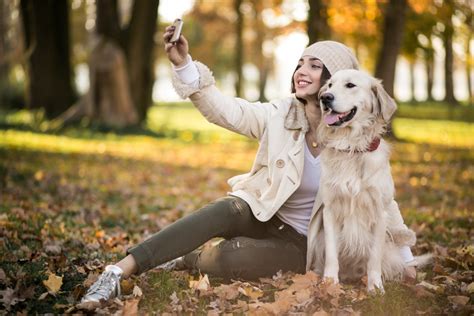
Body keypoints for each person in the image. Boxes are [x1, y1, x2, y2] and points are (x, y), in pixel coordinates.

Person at [80, 25, 417, 304]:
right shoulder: (279, 115)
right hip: (263, 212)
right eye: (301, 63)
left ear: (335, 78)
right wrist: (185, 65)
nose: (302, 71)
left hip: (301, 244)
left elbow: (382, 198)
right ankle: (116, 271)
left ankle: (187, 258)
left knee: (233, 257)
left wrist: (405, 259)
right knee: (222, 210)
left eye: (315, 65)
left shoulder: (352, 139)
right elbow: (226, 110)